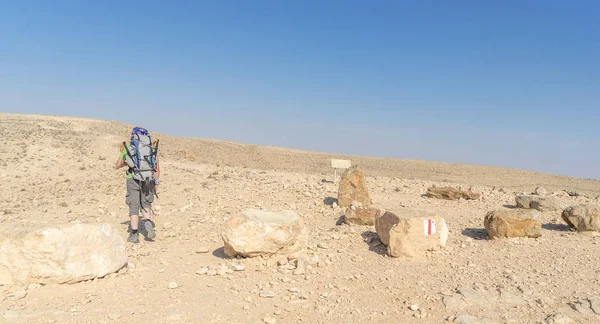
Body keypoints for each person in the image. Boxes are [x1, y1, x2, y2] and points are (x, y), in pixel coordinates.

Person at [115, 127, 160, 243]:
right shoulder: (151, 148)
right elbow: (156, 168)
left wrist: (128, 163)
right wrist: (156, 182)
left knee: (134, 206)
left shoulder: (129, 147)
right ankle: (148, 224)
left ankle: (134, 235)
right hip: (148, 179)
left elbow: (118, 164)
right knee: (146, 203)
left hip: (132, 179)